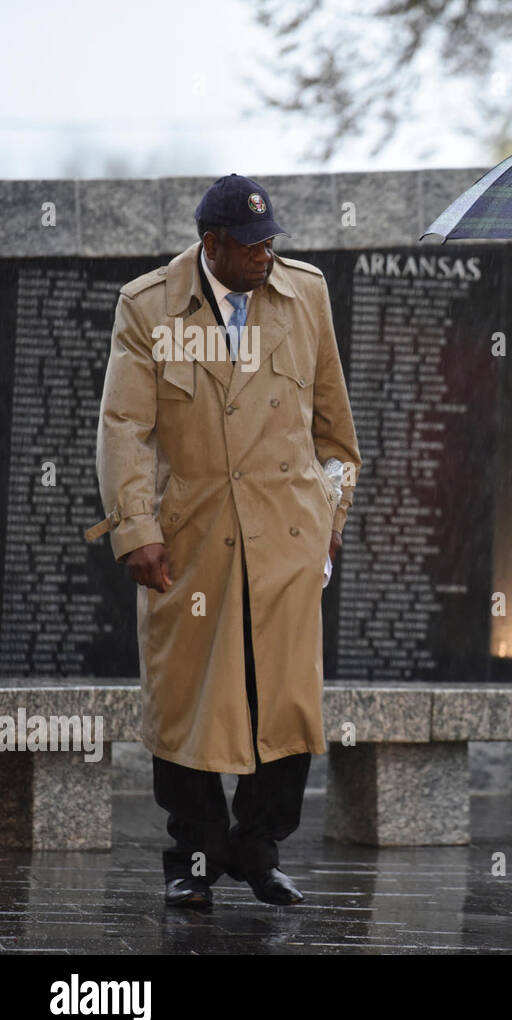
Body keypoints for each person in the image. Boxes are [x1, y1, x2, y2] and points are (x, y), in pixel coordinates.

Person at [87, 174, 362, 908]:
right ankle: (194, 859)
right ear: (212, 245)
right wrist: (135, 530)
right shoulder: (148, 305)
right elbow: (124, 428)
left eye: (272, 242)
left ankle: (260, 849)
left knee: (285, 702)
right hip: (193, 542)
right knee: (190, 701)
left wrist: (330, 523)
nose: (266, 256)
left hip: (288, 540)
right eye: (251, 246)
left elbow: (335, 431)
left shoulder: (306, 294)